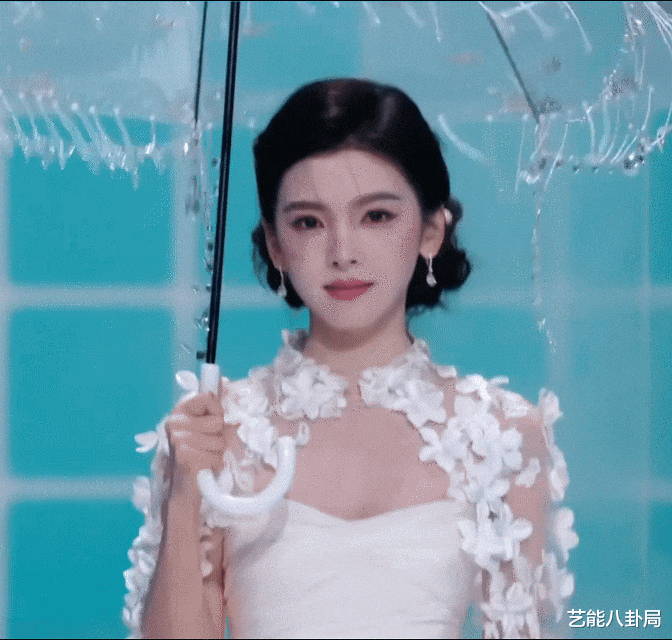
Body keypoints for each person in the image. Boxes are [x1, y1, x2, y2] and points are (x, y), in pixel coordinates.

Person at [124, 78, 578, 639]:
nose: (343, 253)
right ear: (275, 243)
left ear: (431, 231)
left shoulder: (502, 435)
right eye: (308, 222)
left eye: (376, 216)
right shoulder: (217, 431)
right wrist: (185, 493)